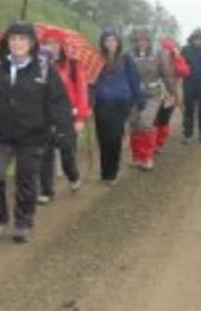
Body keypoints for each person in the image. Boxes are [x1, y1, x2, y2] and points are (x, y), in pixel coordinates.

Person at [0, 21, 74, 244]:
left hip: (32, 136)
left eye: (23, 39)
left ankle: (23, 222)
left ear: (32, 43)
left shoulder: (43, 68)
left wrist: (64, 130)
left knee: (26, 181)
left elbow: (58, 102)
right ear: (7, 42)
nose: (17, 43)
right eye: (13, 39)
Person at [37, 27, 89, 204]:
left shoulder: (74, 65)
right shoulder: (37, 66)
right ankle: (46, 191)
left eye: (55, 43)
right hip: (43, 116)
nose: (52, 47)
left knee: (67, 153)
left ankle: (73, 176)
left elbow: (82, 91)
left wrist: (81, 118)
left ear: (62, 46)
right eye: (47, 43)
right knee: (44, 154)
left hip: (67, 116)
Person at [91, 28, 144, 183]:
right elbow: (90, 80)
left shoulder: (126, 59)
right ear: (103, 42)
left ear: (118, 42)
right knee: (103, 139)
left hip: (121, 103)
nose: (110, 43)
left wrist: (139, 99)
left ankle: (112, 173)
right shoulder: (96, 59)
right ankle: (104, 172)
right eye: (107, 40)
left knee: (115, 137)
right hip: (101, 103)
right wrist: (89, 98)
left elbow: (134, 80)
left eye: (113, 40)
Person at [127, 29, 166, 170]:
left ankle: (147, 157)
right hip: (134, 95)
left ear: (149, 42)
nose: (141, 43)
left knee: (146, 123)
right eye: (138, 40)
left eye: (144, 40)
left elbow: (166, 74)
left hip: (153, 94)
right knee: (134, 124)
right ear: (134, 42)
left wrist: (173, 93)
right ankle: (136, 156)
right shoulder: (128, 56)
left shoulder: (158, 55)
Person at [154, 37, 190, 154]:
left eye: (167, 48)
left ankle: (158, 143)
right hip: (156, 92)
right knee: (157, 119)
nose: (165, 52)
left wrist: (178, 58)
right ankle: (156, 143)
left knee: (162, 119)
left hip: (170, 93)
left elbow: (185, 71)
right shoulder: (154, 56)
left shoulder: (176, 57)